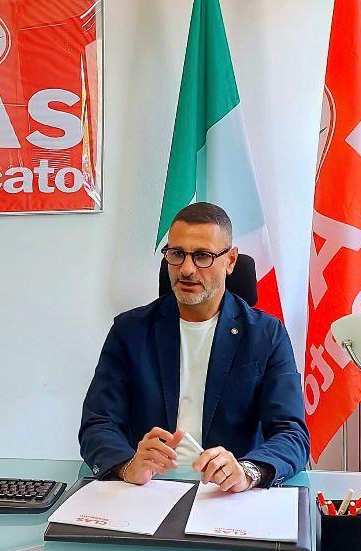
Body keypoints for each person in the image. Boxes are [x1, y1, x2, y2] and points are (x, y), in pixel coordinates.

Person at [79, 202, 309, 492]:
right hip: (147, 490)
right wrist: (127, 466)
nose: (186, 269)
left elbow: (292, 434)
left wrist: (247, 471)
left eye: (202, 256)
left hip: (227, 493)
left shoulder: (266, 334)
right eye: (177, 254)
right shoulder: (130, 331)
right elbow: (98, 423)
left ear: (230, 261)